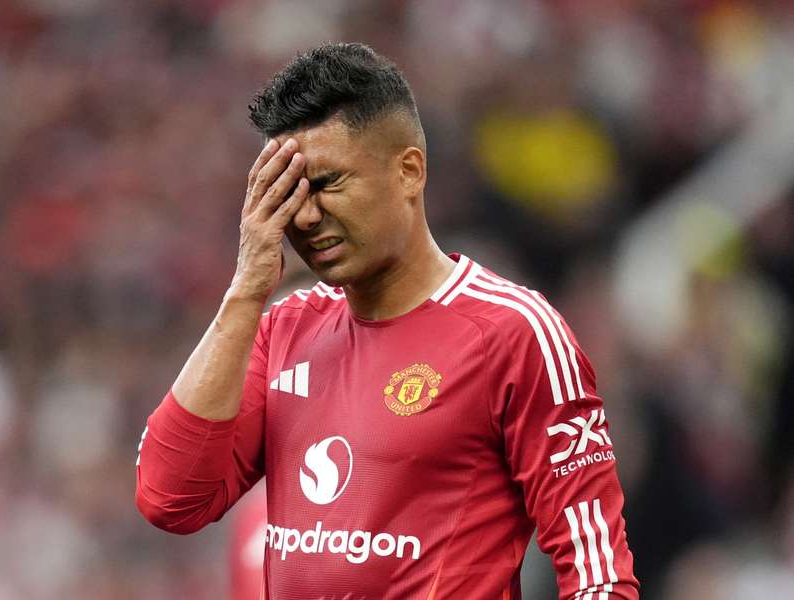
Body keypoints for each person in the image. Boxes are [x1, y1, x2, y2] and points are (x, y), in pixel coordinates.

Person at [135, 42, 639, 599]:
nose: (303, 215)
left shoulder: (513, 332)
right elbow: (169, 498)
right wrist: (246, 291)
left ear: (408, 171)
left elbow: (598, 573)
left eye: (327, 184)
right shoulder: (282, 328)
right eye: (287, 192)